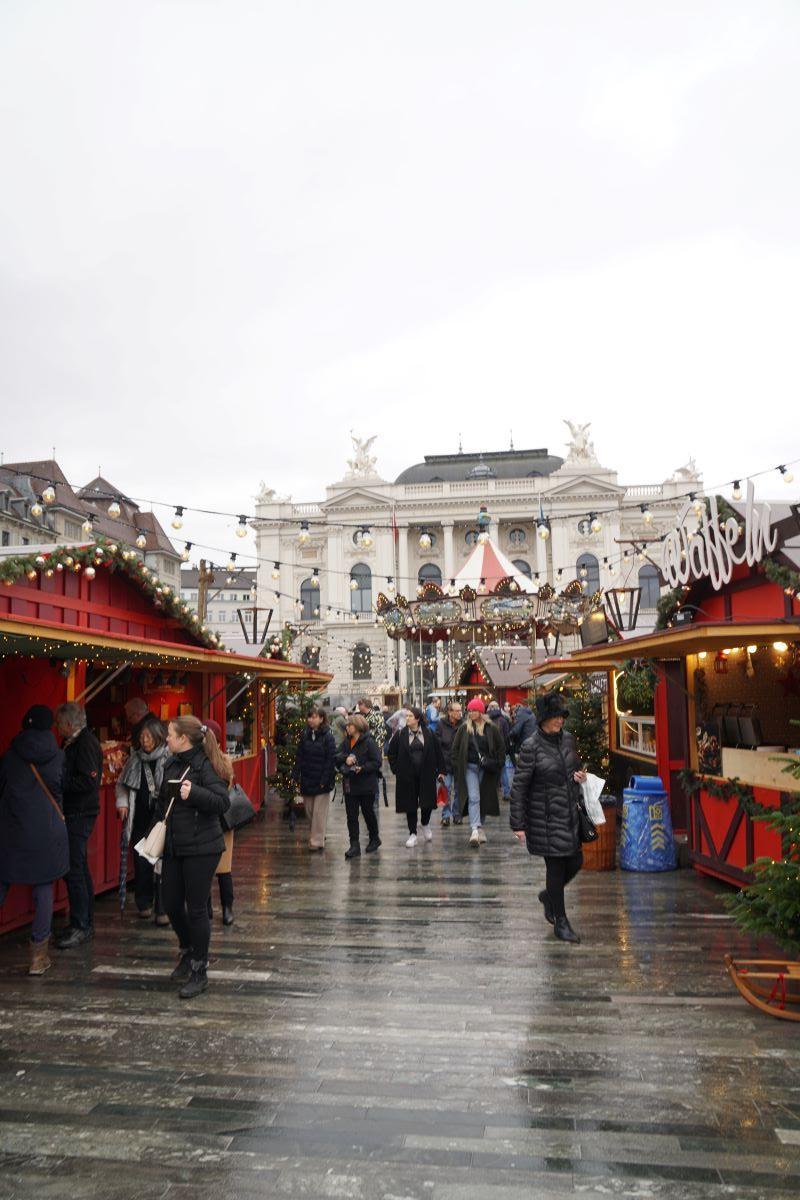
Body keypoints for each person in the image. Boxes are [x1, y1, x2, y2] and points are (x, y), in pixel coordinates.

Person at [152, 716, 231, 998]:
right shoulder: (172, 763)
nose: (167, 739)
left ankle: (200, 969)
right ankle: (187, 950)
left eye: (171, 735)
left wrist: (194, 792)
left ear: (184, 738)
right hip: (175, 845)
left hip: (203, 847)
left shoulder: (204, 765)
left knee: (196, 908)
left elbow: (222, 802)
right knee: (171, 902)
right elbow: (165, 802)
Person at [510, 692, 588, 944]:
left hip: (568, 813)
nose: (559, 721)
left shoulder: (568, 741)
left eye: (561, 716)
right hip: (544, 816)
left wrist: (581, 777)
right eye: (554, 716)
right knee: (555, 866)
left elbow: (575, 768)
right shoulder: (531, 746)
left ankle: (548, 896)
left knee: (575, 860)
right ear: (543, 719)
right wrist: (518, 824)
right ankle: (561, 922)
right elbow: (520, 786)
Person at [0, 706, 69, 976]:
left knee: (2, 881)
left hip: (12, 829)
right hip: (46, 832)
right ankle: (38, 957)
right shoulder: (58, 756)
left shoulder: (10, 755)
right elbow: (63, 787)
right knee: (43, 890)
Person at [54, 702, 103, 948]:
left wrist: (60, 781)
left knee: (74, 868)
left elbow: (88, 781)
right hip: (78, 811)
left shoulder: (84, 744)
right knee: (79, 867)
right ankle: (82, 921)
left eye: (59, 723)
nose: (57, 727)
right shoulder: (74, 742)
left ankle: (81, 925)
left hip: (80, 812)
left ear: (69, 724)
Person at [116, 717, 170, 924]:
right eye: (142, 736)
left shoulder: (168, 757)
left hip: (160, 818)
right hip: (139, 818)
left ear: (158, 737)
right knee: (142, 863)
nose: (144, 740)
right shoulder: (134, 760)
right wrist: (122, 802)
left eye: (148, 736)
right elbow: (121, 784)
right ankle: (144, 902)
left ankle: (162, 909)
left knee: (161, 864)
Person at [387, 706, 445, 847]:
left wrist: (441, 771)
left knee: (428, 803)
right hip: (407, 776)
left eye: (410, 716)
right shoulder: (401, 735)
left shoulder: (429, 733)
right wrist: (396, 770)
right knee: (410, 805)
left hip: (427, 774)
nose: (407, 718)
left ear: (417, 719)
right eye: (406, 716)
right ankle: (412, 833)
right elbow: (391, 753)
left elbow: (438, 753)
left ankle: (425, 823)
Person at [452, 699, 505, 848]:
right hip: (469, 767)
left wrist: (498, 764)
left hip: (487, 769)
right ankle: (475, 829)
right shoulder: (464, 728)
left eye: (474, 710)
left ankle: (479, 826)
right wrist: (457, 766)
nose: (471, 713)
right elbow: (455, 749)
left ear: (481, 711)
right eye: (469, 710)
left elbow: (501, 747)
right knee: (474, 797)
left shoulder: (491, 728)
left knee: (483, 797)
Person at [204, 718, 236, 925]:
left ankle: (217, 908)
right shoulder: (224, 761)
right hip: (221, 821)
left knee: (211, 868)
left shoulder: (220, 762)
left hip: (214, 820)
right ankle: (225, 909)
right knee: (220, 869)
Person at [336, 714, 381, 860]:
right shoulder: (346, 742)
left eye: (350, 725)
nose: (347, 727)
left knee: (368, 812)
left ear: (357, 727)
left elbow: (377, 762)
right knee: (351, 816)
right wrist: (345, 759)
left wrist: (362, 768)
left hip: (366, 784)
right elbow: (337, 757)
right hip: (350, 785)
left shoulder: (369, 742)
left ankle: (374, 838)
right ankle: (354, 845)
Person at [293, 704, 336, 852]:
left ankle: (316, 841)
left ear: (321, 718)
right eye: (309, 717)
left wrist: (325, 779)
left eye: (314, 717)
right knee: (310, 812)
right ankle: (319, 834)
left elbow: (331, 759)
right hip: (307, 779)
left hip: (322, 781)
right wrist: (295, 774)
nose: (311, 719)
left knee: (319, 813)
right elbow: (300, 756)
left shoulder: (328, 737)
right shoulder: (304, 735)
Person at [357, 697, 386, 822]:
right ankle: (368, 799)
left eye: (360, 705)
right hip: (365, 751)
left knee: (374, 775)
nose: (359, 707)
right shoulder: (364, 716)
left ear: (365, 705)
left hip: (373, 751)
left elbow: (381, 733)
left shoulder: (375, 716)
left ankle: (375, 799)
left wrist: (376, 748)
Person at [435, 699, 463, 826]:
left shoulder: (463, 724)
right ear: (450, 712)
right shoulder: (441, 724)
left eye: (460, 710)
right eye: (457, 710)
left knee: (458, 790)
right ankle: (446, 815)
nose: (460, 713)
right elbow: (437, 743)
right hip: (445, 763)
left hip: (459, 763)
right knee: (446, 789)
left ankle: (457, 814)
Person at [487, 701, 513, 801]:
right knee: (503, 771)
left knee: (490, 772)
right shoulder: (503, 720)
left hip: (489, 750)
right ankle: (506, 792)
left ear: (489, 708)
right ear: (498, 708)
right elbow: (507, 736)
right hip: (500, 750)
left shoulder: (486, 719)